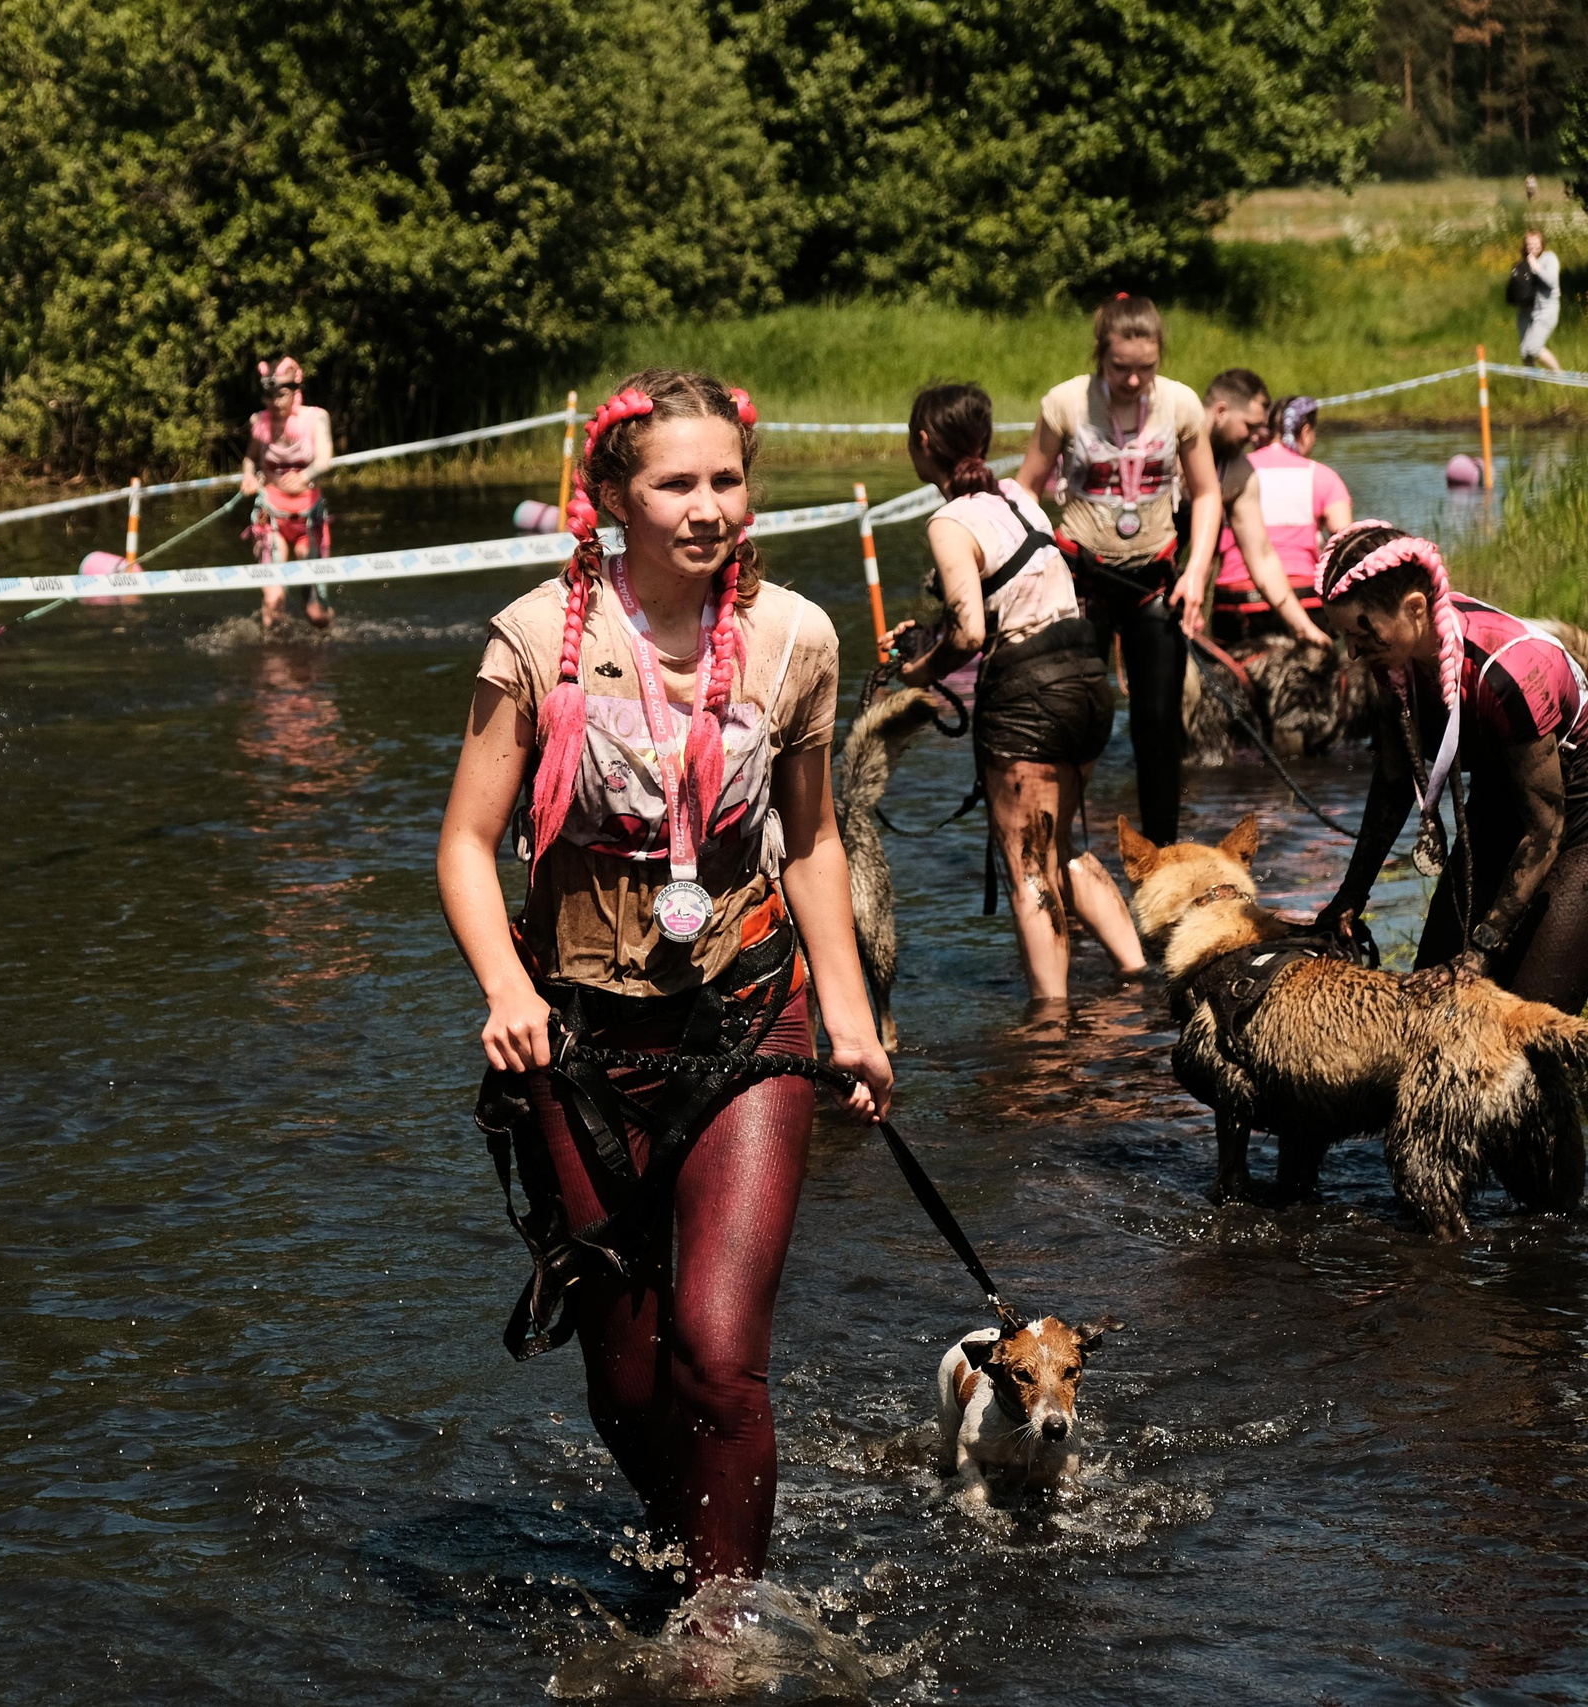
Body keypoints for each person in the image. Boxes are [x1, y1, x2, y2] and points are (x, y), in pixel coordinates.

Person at [436, 369, 889, 1588]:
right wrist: (505, 991)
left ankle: (719, 1632)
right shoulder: (534, 641)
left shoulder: (798, 637)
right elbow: (466, 846)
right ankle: (703, 1538)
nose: (707, 507)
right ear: (612, 499)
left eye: (726, 480)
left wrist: (849, 1019)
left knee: (717, 1352)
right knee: (627, 1381)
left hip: (744, 1011)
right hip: (574, 1034)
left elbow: (814, 839)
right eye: (674, 483)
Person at [888, 383, 1146, 1001]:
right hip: (1085, 683)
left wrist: (919, 674)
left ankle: (1049, 1031)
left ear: (923, 443)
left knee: (1027, 864)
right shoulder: (1021, 497)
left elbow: (972, 630)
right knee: (1063, 849)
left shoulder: (949, 520)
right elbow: (1014, 595)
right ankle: (1140, 979)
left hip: (1028, 701)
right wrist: (929, 635)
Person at [1312, 523, 1588, 1010]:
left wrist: (1482, 949)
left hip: (1575, 825)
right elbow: (1395, 784)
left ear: (1415, 608)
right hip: (1500, 808)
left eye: (1362, 632)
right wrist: (1349, 898)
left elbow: (1546, 831)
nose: (1352, 651)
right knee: (1428, 1008)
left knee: (1521, 1025)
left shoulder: (1509, 672)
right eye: (1344, 637)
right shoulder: (1391, 662)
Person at [1018, 293, 1223, 845]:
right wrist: (1042, 564)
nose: (1134, 381)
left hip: (1153, 583)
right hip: (1082, 581)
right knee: (1073, 721)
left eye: (1146, 369)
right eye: (1120, 369)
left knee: (1158, 730)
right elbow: (1024, 491)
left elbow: (1206, 494)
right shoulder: (1065, 403)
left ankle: (1162, 856)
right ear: (1099, 357)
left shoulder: (1180, 405)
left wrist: (1196, 574)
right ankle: (1059, 848)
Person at [1212, 391, 1347, 648]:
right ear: (1306, 431)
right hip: (1303, 597)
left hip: (1236, 599)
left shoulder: (1235, 470)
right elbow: (1344, 543)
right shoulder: (1322, 476)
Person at [239, 357, 336, 629]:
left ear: (295, 391)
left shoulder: (316, 418)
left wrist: (304, 476)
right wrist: (248, 476)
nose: (275, 403)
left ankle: (325, 647)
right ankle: (274, 664)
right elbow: (250, 458)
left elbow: (325, 460)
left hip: (308, 518)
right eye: (268, 397)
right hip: (270, 516)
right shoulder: (259, 422)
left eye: (281, 395)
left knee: (315, 613)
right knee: (274, 603)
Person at [1511, 230, 1562, 372]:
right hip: (1526, 311)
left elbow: (1551, 282)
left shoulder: (1549, 258)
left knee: (1533, 348)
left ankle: (1559, 376)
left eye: (1535, 243)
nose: (1532, 246)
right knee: (1525, 352)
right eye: (1528, 243)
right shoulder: (1524, 261)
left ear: (1542, 244)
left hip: (1546, 311)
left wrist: (1536, 267)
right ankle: (1531, 388)